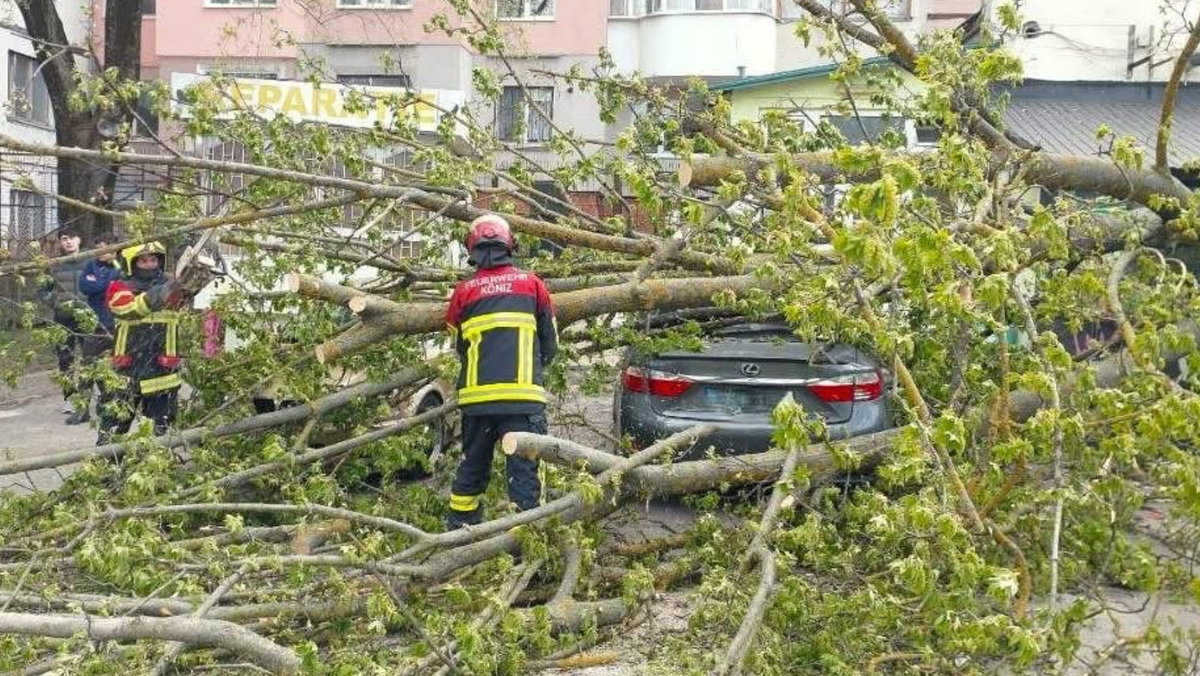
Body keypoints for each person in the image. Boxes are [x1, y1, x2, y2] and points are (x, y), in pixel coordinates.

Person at [443, 214, 558, 529]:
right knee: (524, 479)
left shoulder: (464, 291)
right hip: (523, 402)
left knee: (471, 472)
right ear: (510, 245)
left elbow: (457, 343)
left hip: (477, 403)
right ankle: (525, 544)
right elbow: (551, 341)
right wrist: (535, 369)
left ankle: (458, 537)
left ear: (472, 248)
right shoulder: (532, 284)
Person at [97, 242, 208, 444]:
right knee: (112, 430)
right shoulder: (119, 287)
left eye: (154, 260)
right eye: (143, 260)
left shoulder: (171, 286)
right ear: (131, 263)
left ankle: (152, 471)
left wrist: (198, 277)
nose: (149, 265)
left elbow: (183, 298)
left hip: (162, 371)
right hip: (126, 372)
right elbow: (129, 309)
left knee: (160, 435)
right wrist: (163, 291)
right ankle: (106, 472)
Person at [38, 229, 90, 423]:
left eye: (72, 238)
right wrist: (56, 303)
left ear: (79, 240)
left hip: (87, 318)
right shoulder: (54, 266)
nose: (68, 242)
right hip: (63, 318)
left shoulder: (90, 262)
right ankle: (69, 398)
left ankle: (86, 398)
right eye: (64, 239)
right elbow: (43, 290)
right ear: (60, 243)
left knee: (90, 359)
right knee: (65, 360)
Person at [74, 238, 122, 423]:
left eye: (106, 249)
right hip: (93, 324)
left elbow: (118, 289)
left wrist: (101, 285)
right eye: (98, 249)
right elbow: (84, 287)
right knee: (88, 366)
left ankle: (109, 406)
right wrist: (106, 284)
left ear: (115, 251)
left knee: (111, 367)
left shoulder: (120, 268)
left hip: (113, 324)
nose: (101, 253)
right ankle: (82, 408)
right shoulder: (89, 266)